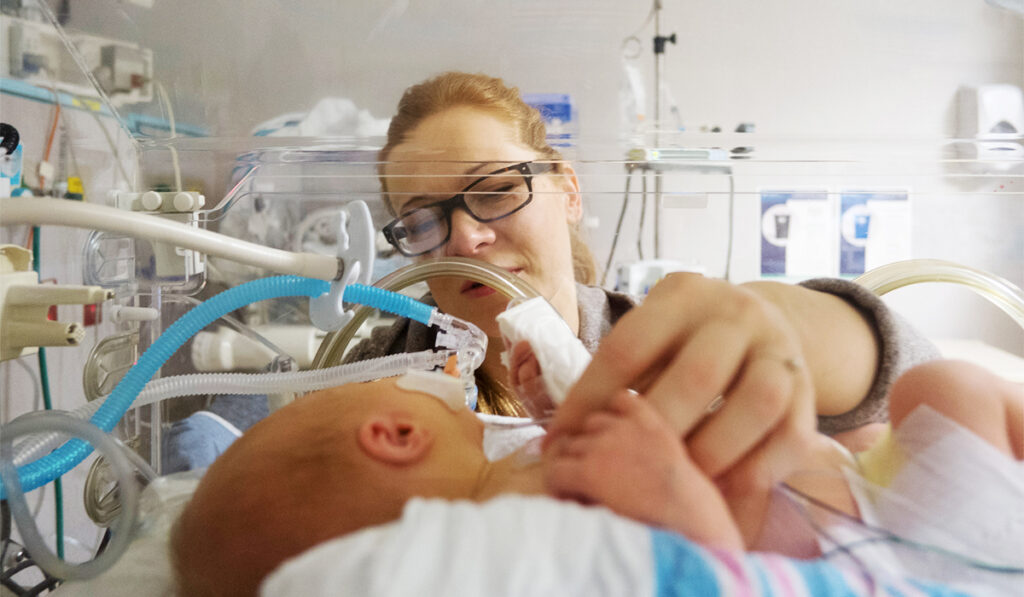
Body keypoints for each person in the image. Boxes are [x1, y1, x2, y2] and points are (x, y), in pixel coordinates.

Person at [346, 70, 939, 487]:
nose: (466, 239)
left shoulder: (667, 347)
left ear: (569, 191)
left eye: (497, 190)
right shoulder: (358, 377)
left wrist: (799, 328)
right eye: (422, 221)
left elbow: (927, 397)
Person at [170, 360, 1023, 596]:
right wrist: (679, 497)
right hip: (900, 550)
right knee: (940, 389)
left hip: (853, 503)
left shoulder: (512, 469)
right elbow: (695, 569)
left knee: (907, 405)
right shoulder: (512, 512)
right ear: (393, 433)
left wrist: (561, 400)